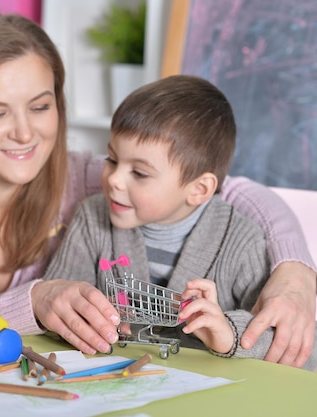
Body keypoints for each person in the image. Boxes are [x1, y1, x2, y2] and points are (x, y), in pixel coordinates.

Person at [0, 13, 316, 367]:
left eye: (40, 106)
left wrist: (295, 272)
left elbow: (217, 187)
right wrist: (30, 302)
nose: (24, 134)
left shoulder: (80, 174)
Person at [35, 75, 317, 368]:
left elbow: (297, 346)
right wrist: (81, 321)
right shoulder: (91, 218)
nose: (114, 179)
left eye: (140, 173)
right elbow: (57, 305)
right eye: (112, 159)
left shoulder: (240, 240)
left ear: (198, 190)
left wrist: (230, 334)